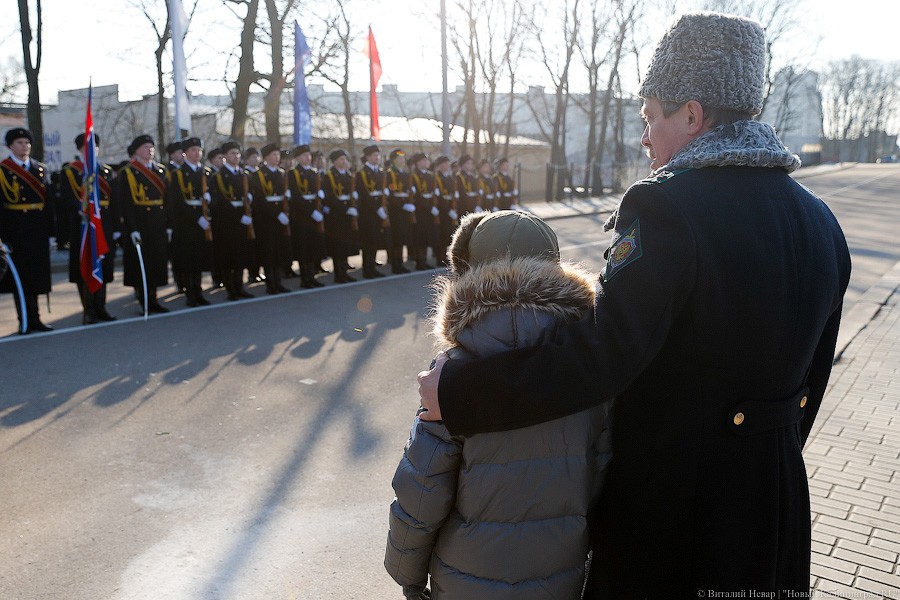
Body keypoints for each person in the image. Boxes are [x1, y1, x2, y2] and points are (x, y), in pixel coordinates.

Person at [417, 12, 852, 598]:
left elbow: (603, 354)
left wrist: (460, 393)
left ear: (692, 115)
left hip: (674, 517)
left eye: (650, 117)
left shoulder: (668, 206)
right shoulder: (820, 220)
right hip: (774, 507)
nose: (644, 137)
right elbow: (812, 381)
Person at [386, 210, 612, 599]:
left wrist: (406, 573)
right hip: (557, 572)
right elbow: (602, 470)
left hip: (465, 576)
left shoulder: (453, 375)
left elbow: (422, 488)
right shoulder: (587, 366)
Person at [61, 133, 120, 323]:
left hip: (104, 224)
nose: (92, 150)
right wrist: (83, 210)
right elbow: (67, 200)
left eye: (95, 146)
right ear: (80, 149)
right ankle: (88, 309)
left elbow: (113, 201)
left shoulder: (105, 171)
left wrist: (116, 227)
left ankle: (101, 306)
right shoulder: (71, 172)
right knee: (85, 265)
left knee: (103, 264)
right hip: (83, 225)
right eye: (88, 146)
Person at [0, 127, 53, 333]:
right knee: (20, 276)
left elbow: (48, 204)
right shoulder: (4, 170)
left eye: (27, 143)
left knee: (36, 274)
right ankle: (24, 319)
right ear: (10, 146)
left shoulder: (40, 169)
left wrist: (52, 233)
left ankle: (36, 318)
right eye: (20, 143)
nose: (25, 146)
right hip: (16, 228)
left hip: (37, 227)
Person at [118, 134, 171, 314]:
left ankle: (154, 298)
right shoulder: (128, 172)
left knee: (156, 261)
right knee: (142, 263)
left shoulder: (161, 171)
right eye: (145, 147)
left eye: (151, 147)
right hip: (140, 222)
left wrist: (169, 224)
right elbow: (126, 204)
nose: (150, 150)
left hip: (157, 222)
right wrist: (132, 229)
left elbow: (168, 200)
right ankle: (144, 300)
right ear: (137, 151)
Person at [165, 137, 213, 307]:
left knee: (199, 258)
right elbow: (177, 202)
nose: (197, 153)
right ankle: (190, 294)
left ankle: (198, 291)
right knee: (188, 259)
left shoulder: (205, 172)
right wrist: (197, 218)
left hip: (203, 220)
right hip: (185, 223)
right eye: (193, 150)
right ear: (185, 153)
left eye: (199, 150)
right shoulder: (177, 174)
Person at [208, 140, 255, 301]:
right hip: (227, 221)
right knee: (228, 256)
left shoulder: (243, 174)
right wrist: (238, 216)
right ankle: (231, 289)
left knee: (240, 255)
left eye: (237, 153)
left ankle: (239, 286)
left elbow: (251, 191)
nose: (236, 156)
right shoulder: (218, 176)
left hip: (243, 218)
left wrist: (250, 198)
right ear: (225, 156)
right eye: (232, 153)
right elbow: (219, 202)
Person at [249, 143, 291, 294]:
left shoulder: (281, 173)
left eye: (278, 155)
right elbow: (260, 200)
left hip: (281, 218)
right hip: (266, 219)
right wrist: (277, 214)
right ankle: (270, 283)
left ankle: (278, 281)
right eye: (274, 155)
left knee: (279, 250)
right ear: (266, 157)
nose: (277, 157)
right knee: (269, 251)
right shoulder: (258, 175)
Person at [286, 144, 327, 288]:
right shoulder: (293, 174)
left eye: (309, 155)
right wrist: (311, 212)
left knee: (312, 247)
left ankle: (312, 276)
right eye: (304, 155)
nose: (308, 158)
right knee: (303, 248)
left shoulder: (313, 173)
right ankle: (305, 278)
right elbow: (296, 197)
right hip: (301, 216)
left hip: (314, 216)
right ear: (297, 158)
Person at [322, 149, 359, 283]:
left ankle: (344, 272)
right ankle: (338, 274)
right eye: (341, 159)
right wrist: (346, 209)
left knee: (345, 245)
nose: (344, 162)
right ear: (335, 161)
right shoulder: (329, 176)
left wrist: (355, 200)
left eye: (345, 159)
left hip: (347, 216)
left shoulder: (349, 176)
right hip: (336, 216)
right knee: (337, 247)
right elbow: (330, 198)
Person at [355, 144, 390, 279]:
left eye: (378, 155)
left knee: (375, 240)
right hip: (368, 213)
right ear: (368, 157)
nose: (377, 158)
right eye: (375, 155)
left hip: (379, 212)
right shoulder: (362, 173)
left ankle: (372, 267)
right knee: (368, 242)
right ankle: (367, 269)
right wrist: (377, 209)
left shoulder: (380, 172)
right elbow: (364, 195)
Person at [385, 148, 414, 274]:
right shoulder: (389, 174)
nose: (402, 160)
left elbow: (407, 192)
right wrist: (402, 205)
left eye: (403, 158)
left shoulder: (405, 174)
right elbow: (390, 195)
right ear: (393, 160)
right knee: (396, 239)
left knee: (402, 238)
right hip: (395, 211)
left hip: (405, 211)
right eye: (399, 158)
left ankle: (400, 263)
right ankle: (395, 265)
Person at [410, 152, 439, 271]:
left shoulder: (430, 176)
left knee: (427, 236)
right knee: (420, 237)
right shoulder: (414, 176)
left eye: (426, 160)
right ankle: (419, 261)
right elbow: (416, 196)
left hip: (429, 211)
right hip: (420, 211)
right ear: (417, 163)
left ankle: (424, 260)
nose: (426, 162)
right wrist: (429, 207)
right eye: (423, 160)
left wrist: (434, 204)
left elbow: (432, 193)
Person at [433, 155, 459, 267]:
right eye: (445, 163)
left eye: (448, 163)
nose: (447, 165)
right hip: (441, 211)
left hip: (449, 208)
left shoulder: (449, 178)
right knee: (441, 236)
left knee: (449, 234)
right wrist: (448, 210)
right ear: (440, 165)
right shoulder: (437, 178)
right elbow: (439, 198)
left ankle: (447, 257)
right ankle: (440, 258)